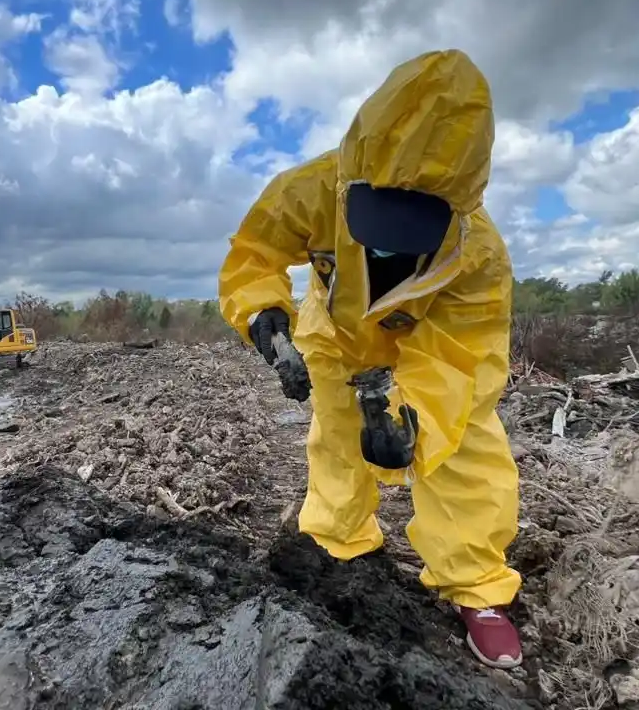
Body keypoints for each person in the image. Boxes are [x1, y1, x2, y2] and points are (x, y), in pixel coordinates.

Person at [217, 49, 522, 669]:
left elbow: (459, 359)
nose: (382, 237)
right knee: (337, 439)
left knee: (463, 450)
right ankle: (337, 542)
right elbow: (256, 254)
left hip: (419, 351)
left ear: (457, 200)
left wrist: (414, 423)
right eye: (375, 212)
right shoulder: (314, 187)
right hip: (335, 337)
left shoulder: (478, 254)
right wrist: (261, 315)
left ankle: (477, 587)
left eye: (408, 222)